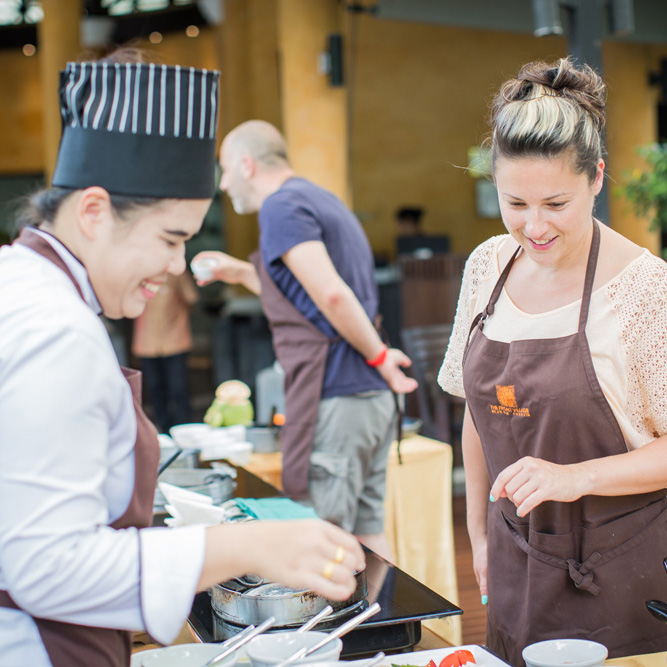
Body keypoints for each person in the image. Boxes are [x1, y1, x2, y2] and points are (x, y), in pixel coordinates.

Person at [0, 53, 364, 667]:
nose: (176, 265)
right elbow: (46, 566)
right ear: (92, 212)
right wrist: (246, 546)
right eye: (170, 238)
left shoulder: (26, 287)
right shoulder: (52, 328)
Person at [438, 57, 667, 664]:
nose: (533, 227)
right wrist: (478, 533)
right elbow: (475, 410)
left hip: (623, 571)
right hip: (517, 560)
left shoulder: (646, 291)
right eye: (514, 202)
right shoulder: (488, 266)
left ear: (597, 178)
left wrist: (574, 478)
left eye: (555, 203)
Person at [193, 120, 418, 561]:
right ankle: (385, 626)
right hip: (369, 403)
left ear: (246, 164)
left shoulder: (280, 207)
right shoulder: (320, 199)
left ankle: (333, 633)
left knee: (322, 544)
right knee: (370, 537)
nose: (223, 184)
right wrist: (238, 271)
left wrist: (377, 356)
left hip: (337, 398)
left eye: (224, 170)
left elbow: (332, 294)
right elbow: (305, 294)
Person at [132, 271, 198, 432]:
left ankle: (184, 430)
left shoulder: (176, 274)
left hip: (175, 339)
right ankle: (164, 429)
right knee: (155, 389)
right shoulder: (138, 274)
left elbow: (191, 299)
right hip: (147, 341)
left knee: (178, 388)